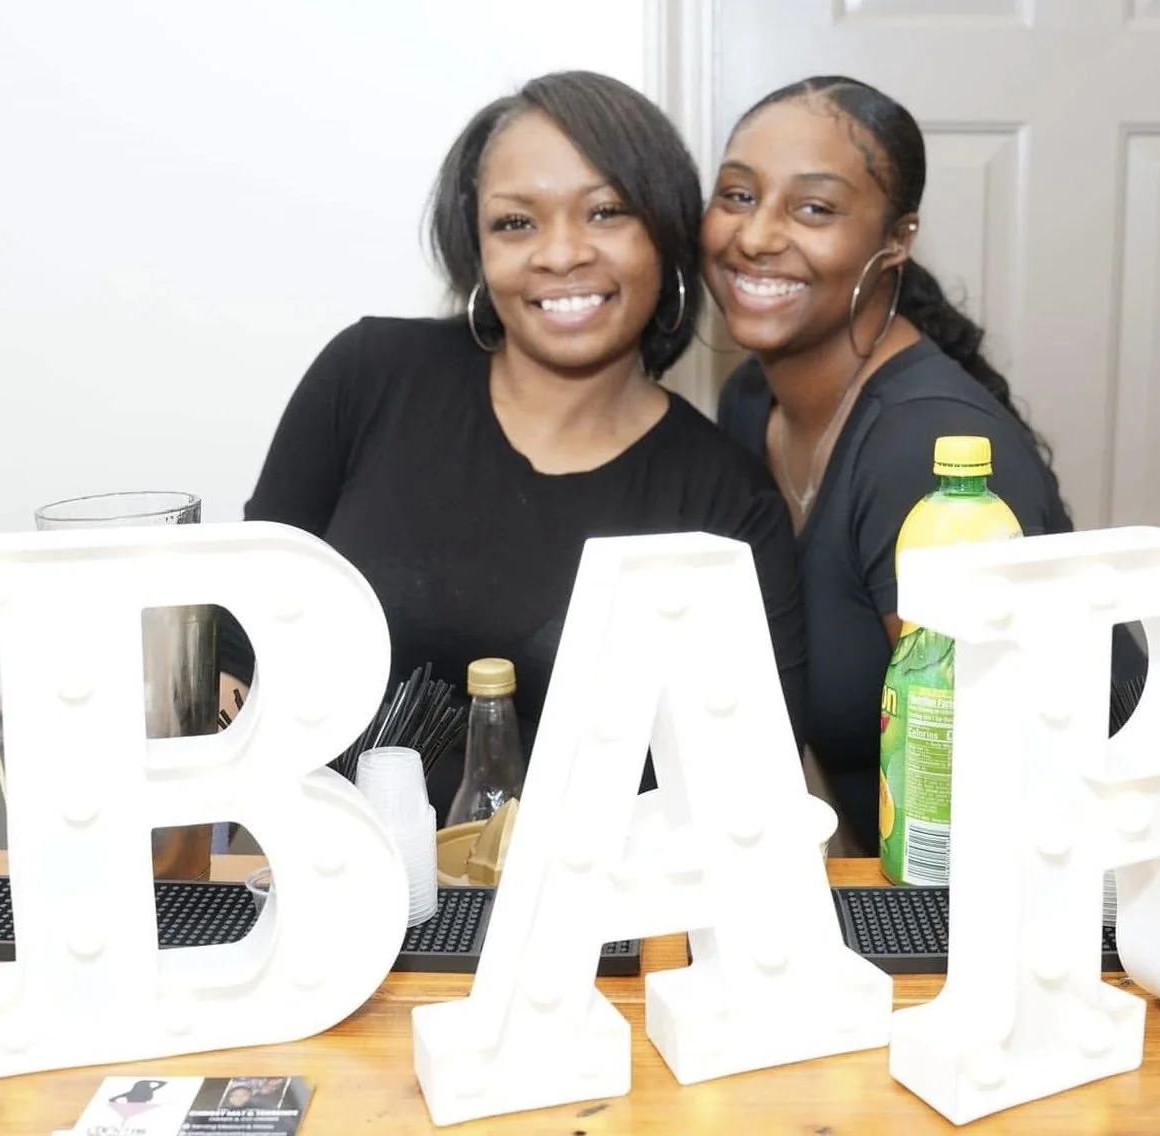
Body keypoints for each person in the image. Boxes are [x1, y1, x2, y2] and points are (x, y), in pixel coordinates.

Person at [706, 75, 1160, 856]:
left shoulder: (919, 453)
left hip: (1110, 892)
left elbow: (996, 789)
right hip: (932, 882)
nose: (756, 234)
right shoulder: (749, 403)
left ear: (896, 238)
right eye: (736, 195)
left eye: (813, 208)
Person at [218, 71, 806, 813]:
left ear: (664, 236)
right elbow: (238, 640)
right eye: (515, 223)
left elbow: (750, 773)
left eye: (605, 212)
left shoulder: (724, 499)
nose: (559, 254)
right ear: (476, 247)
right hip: (328, 878)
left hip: (586, 913)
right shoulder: (369, 377)